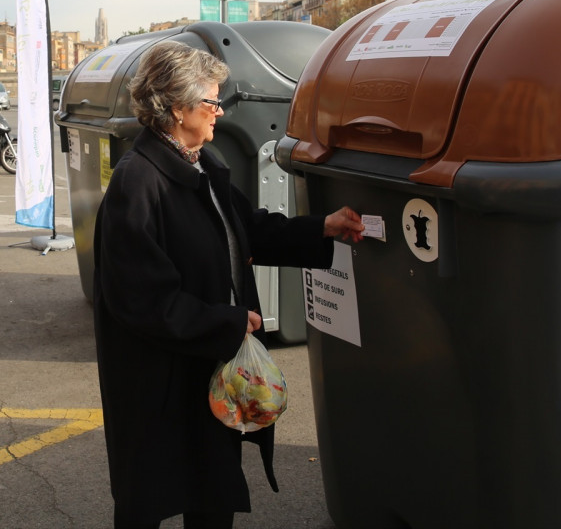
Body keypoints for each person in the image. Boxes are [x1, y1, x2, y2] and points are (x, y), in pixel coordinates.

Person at [92, 40, 364, 529]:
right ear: (176, 108)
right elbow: (140, 299)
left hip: (210, 363)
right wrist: (229, 321)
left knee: (212, 487)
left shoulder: (203, 163)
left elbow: (249, 230)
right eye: (211, 102)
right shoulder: (138, 182)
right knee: (151, 492)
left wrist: (320, 228)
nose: (219, 113)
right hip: (161, 377)